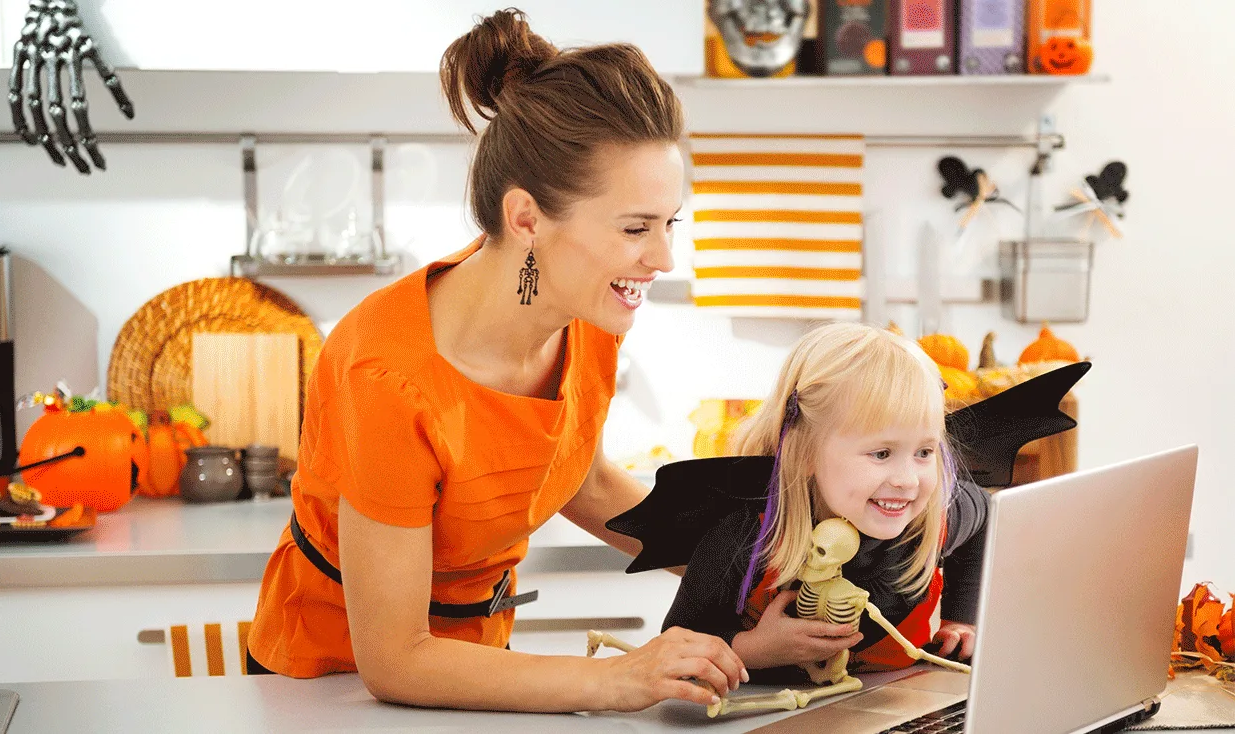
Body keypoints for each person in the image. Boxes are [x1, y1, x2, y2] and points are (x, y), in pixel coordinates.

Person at [246, 7, 747, 714]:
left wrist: (751, 581)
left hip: (473, 665)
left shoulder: (589, 310)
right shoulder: (387, 376)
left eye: (670, 224)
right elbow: (392, 660)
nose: (663, 258)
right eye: (636, 228)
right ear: (526, 219)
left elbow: (582, 478)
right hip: (330, 689)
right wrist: (616, 679)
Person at [661, 322, 988, 683]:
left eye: (924, 451)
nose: (908, 480)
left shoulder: (933, 517)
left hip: (896, 706)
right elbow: (674, 649)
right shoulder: (745, 538)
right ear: (803, 455)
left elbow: (985, 518)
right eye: (881, 453)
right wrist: (752, 649)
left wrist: (961, 617)